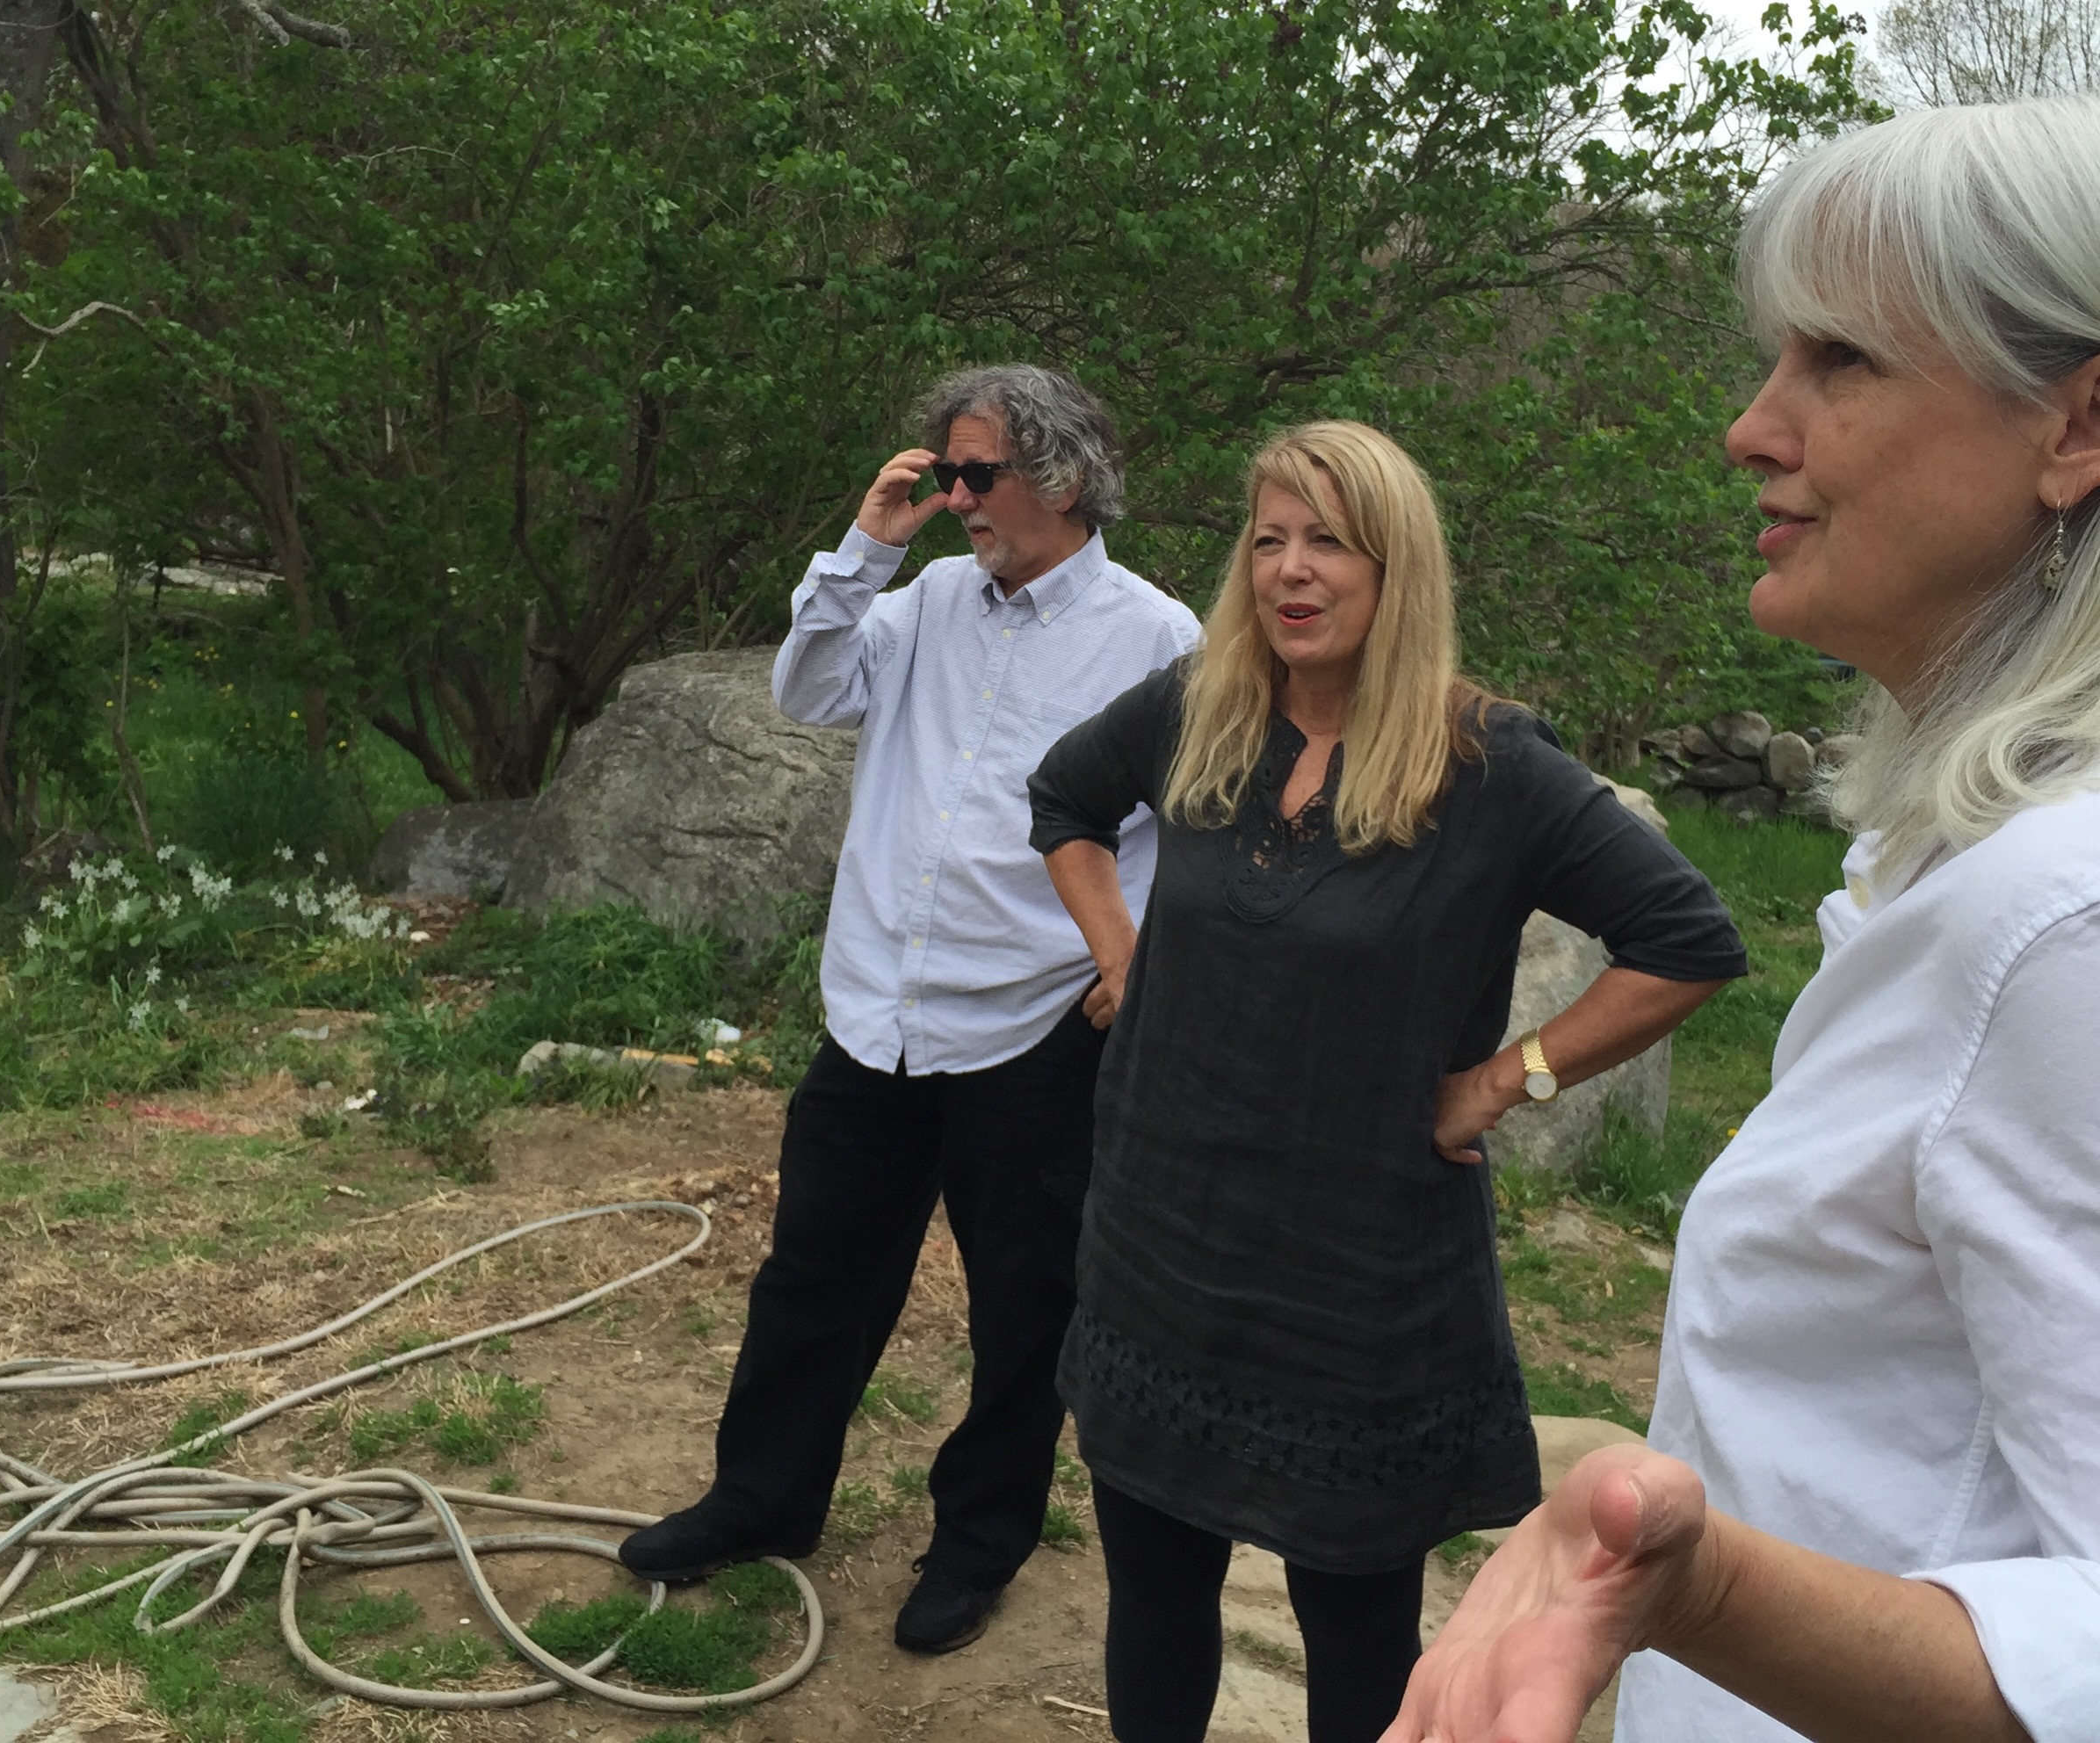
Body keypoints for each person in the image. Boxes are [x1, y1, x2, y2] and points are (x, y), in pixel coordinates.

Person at [1384, 97, 2100, 1743]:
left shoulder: (2060, 929)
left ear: (2076, 427)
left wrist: (1692, 1589)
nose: (1749, 428)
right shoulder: (1958, 864)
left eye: (1840, 358)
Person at [1025, 419, 1746, 1743]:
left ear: (1394, 568)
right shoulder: (1197, 710)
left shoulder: (1491, 768)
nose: (1291, 571)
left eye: (1330, 544)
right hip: (1161, 1242)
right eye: (1268, 542)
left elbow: (1689, 940)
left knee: (1355, 1636)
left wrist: (1509, 1079)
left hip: (1355, 1279)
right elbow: (1064, 799)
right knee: (1156, 1594)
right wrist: (1127, 959)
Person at [618, 364, 1199, 1657]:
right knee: (813, 1279)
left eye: (977, 474)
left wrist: (1136, 962)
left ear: (1064, 478)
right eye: (947, 474)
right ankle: (760, 1501)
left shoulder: (1162, 640)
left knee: (1023, 1314)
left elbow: (1194, 828)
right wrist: (867, 548)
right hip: (877, 1007)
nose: (958, 498)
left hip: (1035, 1025)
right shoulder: (928, 595)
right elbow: (807, 692)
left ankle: (978, 1546)